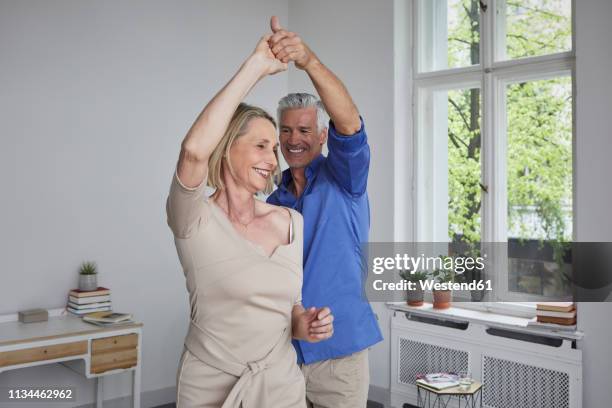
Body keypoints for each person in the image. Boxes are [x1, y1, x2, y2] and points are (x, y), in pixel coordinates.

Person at [166, 34, 334, 408]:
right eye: (261, 145)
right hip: (209, 388)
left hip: (280, 387)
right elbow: (193, 151)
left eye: (274, 149)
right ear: (226, 148)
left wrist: (304, 324)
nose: (273, 159)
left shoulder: (291, 221)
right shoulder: (193, 218)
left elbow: (287, 309)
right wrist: (256, 67)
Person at [266, 16, 383, 408]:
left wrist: (307, 60)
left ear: (321, 136)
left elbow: (350, 123)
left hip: (339, 357)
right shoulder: (272, 203)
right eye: (286, 131)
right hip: (285, 352)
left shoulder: (345, 178)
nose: (293, 139)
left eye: (303, 131)